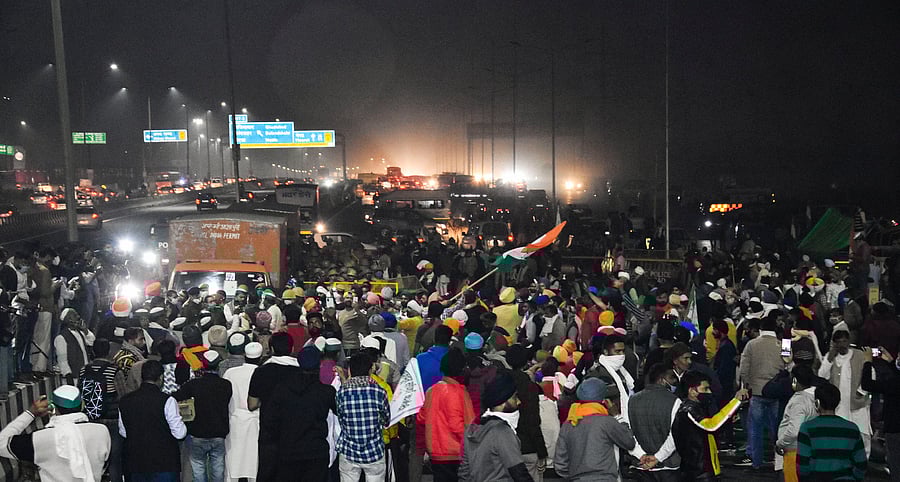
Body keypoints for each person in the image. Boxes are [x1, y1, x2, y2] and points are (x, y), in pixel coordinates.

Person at [0, 385, 111, 481]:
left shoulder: (40, 438)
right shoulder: (102, 431)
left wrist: (30, 413)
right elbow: (105, 465)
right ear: (82, 405)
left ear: (52, 408)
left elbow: (1, 443)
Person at [267, 345, 337, 481]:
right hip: (316, 451)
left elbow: (271, 420)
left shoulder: (282, 389)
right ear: (319, 365)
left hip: (288, 450)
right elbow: (341, 412)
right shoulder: (326, 392)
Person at [554, 378, 636, 481]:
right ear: (603, 400)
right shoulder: (606, 422)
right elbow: (629, 442)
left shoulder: (569, 424)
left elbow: (560, 464)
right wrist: (617, 416)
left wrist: (577, 476)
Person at [118, 360, 188, 481]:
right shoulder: (167, 400)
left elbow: (123, 432)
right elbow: (179, 433)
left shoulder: (125, 401)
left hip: (135, 463)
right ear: (161, 377)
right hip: (164, 463)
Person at [672, 371, 748, 481]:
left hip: (703, 469)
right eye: (705, 389)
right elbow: (711, 425)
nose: (710, 392)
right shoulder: (689, 409)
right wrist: (735, 402)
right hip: (698, 472)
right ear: (692, 391)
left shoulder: (698, 407)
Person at [459, 370, 533, 481]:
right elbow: (519, 472)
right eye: (514, 397)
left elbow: (464, 472)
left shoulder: (472, 428)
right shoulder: (503, 432)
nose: (518, 402)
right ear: (502, 401)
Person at [173, 350, 232, 482]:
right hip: (218, 434)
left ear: (203, 365)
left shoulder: (193, 385)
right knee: (218, 469)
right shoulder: (226, 385)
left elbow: (176, 397)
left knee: (198, 470)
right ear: (218, 365)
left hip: (197, 434)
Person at [417, 348, 475, 481]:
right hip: (455, 453)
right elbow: (462, 425)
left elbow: (421, 418)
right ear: (461, 369)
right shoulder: (460, 393)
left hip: (435, 452)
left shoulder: (432, 390)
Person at [248, 332, 299, 481]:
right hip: (295, 433)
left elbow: (252, 404)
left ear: (271, 349)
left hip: (269, 432)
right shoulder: (301, 371)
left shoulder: (261, 371)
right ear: (292, 348)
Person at [738, 314, 784, 469]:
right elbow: (789, 366)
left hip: (757, 392)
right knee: (777, 429)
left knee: (755, 429)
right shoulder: (784, 344)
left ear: (760, 328)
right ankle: (778, 461)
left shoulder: (751, 344)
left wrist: (746, 386)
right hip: (777, 392)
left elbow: (744, 369)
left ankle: (756, 462)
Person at [817, 328, 873, 456]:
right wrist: (829, 359)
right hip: (839, 403)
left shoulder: (859, 355)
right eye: (839, 342)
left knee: (862, 432)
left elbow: (870, 374)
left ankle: (863, 458)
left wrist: (861, 392)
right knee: (841, 431)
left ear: (849, 341)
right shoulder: (830, 357)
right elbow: (822, 375)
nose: (842, 344)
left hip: (858, 402)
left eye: (844, 341)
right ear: (835, 343)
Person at [335, 353, 390, 481]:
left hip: (348, 451)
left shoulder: (341, 393)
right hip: (374, 451)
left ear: (349, 370)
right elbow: (386, 420)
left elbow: (341, 419)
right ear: (370, 370)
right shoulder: (379, 392)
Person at [797, 383, 867, 481]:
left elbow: (802, 466)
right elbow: (861, 464)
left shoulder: (807, 428)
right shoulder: (852, 428)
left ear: (817, 403)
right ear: (837, 403)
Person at [79, 338, 124, 481]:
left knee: (93, 457)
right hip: (112, 418)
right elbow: (123, 395)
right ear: (109, 352)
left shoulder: (84, 370)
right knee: (115, 459)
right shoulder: (114, 370)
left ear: (93, 351)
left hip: (91, 418)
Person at [628, 362, 682, 480]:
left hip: (640, 466)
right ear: (662, 380)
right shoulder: (675, 401)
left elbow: (628, 432)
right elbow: (675, 435)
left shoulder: (632, 400)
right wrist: (657, 457)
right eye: (671, 377)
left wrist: (641, 454)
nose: (674, 381)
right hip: (668, 467)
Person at [506, 343, 548, 481]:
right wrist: (542, 452)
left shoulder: (500, 383)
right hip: (528, 447)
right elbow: (533, 421)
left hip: (505, 448)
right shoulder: (530, 387)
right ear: (525, 361)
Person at [223, 341, 263, 482]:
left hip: (235, 421)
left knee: (234, 460)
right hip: (255, 421)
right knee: (254, 462)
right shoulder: (262, 373)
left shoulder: (230, 373)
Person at [861, 345, 900, 479]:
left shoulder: (893, 383)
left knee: (896, 465)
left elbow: (867, 384)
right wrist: (891, 363)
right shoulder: (895, 380)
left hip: (895, 429)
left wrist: (867, 362)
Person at [775, 365, 819, 482]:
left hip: (793, 452)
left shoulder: (799, 400)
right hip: (809, 450)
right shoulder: (816, 397)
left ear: (794, 380)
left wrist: (780, 443)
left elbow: (794, 430)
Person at [585, 335, 636, 424]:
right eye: (617, 351)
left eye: (623, 351)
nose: (621, 355)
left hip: (622, 419)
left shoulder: (622, 372)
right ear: (606, 352)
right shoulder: (596, 373)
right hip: (605, 421)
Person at [54, 307, 93, 378]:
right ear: (68, 319)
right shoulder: (61, 338)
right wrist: (68, 375)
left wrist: (85, 330)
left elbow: (91, 341)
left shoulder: (80, 333)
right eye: (74, 315)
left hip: (84, 375)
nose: (78, 317)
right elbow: (62, 360)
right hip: (73, 377)